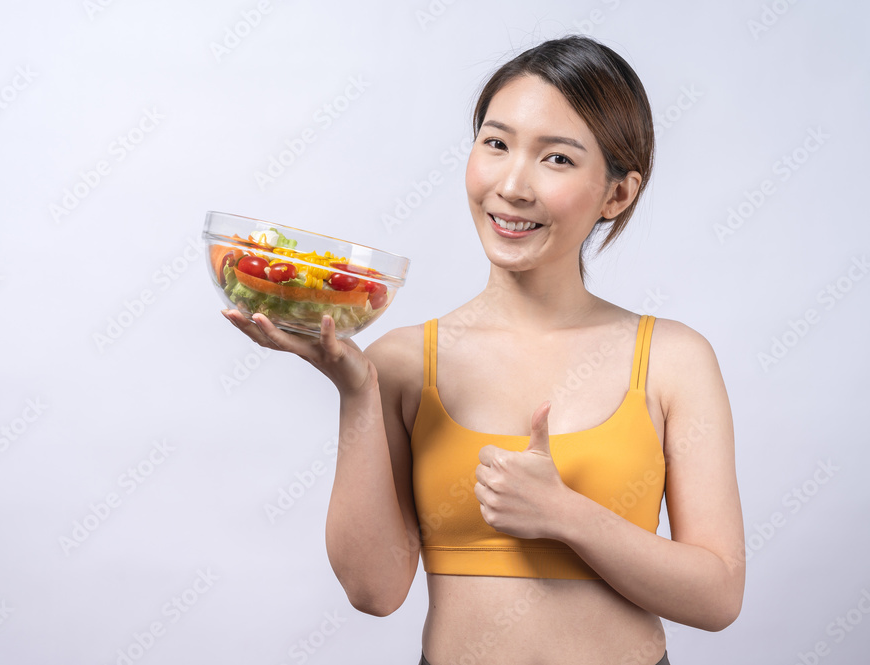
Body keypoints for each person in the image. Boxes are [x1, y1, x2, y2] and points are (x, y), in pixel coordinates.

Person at [222, 34, 745, 665]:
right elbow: (374, 591)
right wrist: (356, 392)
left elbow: (719, 597)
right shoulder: (402, 364)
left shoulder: (673, 360)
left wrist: (564, 515)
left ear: (617, 194)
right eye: (496, 144)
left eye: (557, 158)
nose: (513, 185)